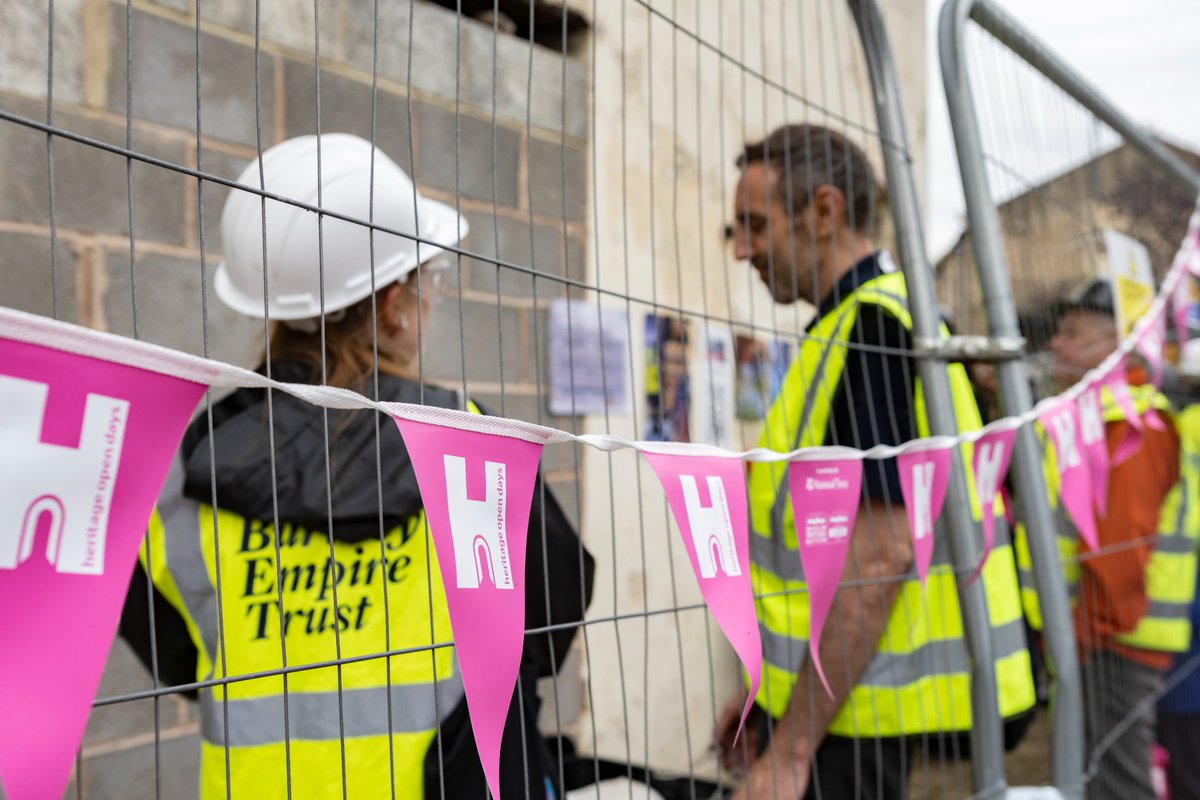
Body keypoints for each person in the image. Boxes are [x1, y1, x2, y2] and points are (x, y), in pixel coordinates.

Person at [118, 133, 594, 799]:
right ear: (395, 307)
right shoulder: (466, 439)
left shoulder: (187, 462)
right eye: (428, 280)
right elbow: (553, 607)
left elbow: (177, 657)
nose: (434, 297)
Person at [713, 123, 1035, 799]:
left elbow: (877, 556)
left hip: (864, 724)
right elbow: (815, 563)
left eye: (755, 225)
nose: (742, 250)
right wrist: (763, 702)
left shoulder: (874, 331)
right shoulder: (871, 323)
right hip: (849, 709)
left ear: (824, 212)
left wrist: (791, 747)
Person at [1033, 278, 1195, 799]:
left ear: (1116, 345)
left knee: (1116, 786)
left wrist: (1079, 639)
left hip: (1112, 644)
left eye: (1072, 332)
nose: (1056, 343)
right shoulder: (1102, 416)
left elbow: (1119, 560)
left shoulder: (1128, 423)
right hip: (1104, 640)